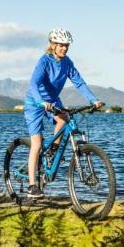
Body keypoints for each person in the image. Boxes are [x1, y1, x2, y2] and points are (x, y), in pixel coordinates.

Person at [24, 28, 102, 198]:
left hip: (53, 101)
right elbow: (34, 84)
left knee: (65, 118)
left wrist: (93, 100)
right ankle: (32, 186)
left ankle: (52, 150)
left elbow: (79, 83)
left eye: (66, 45)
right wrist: (40, 101)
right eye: (61, 45)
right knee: (36, 144)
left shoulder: (67, 63)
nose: (64, 48)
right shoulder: (44, 61)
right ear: (53, 45)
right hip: (35, 103)